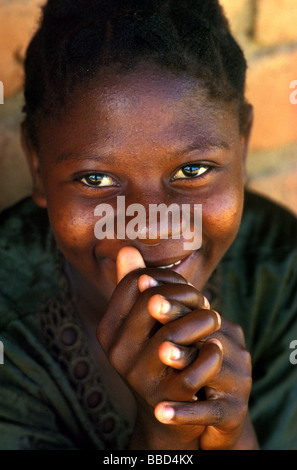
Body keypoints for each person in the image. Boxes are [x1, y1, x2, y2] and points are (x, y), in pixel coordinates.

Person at [0, 0, 296, 451]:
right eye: (96, 179)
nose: (154, 227)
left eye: (193, 170)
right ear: (37, 167)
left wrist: (231, 434)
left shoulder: (279, 266)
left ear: (243, 144)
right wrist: (166, 432)